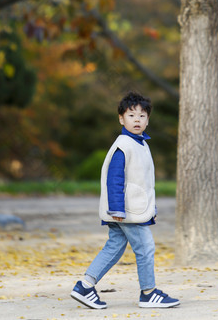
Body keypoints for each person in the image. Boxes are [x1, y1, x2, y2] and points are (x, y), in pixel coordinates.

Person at [71, 91, 180, 310]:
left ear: (148, 120)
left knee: (114, 247)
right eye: (131, 115)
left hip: (134, 208)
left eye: (142, 115)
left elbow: (144, 181)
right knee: (146, 247)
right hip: (125, 210)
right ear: (121, 119)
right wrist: (117, 209)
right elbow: (115, 179)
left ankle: (85, 285)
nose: (137, 119)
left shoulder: (141, 144)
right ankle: (148, 292)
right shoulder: (123, 145)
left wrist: (152, 207)